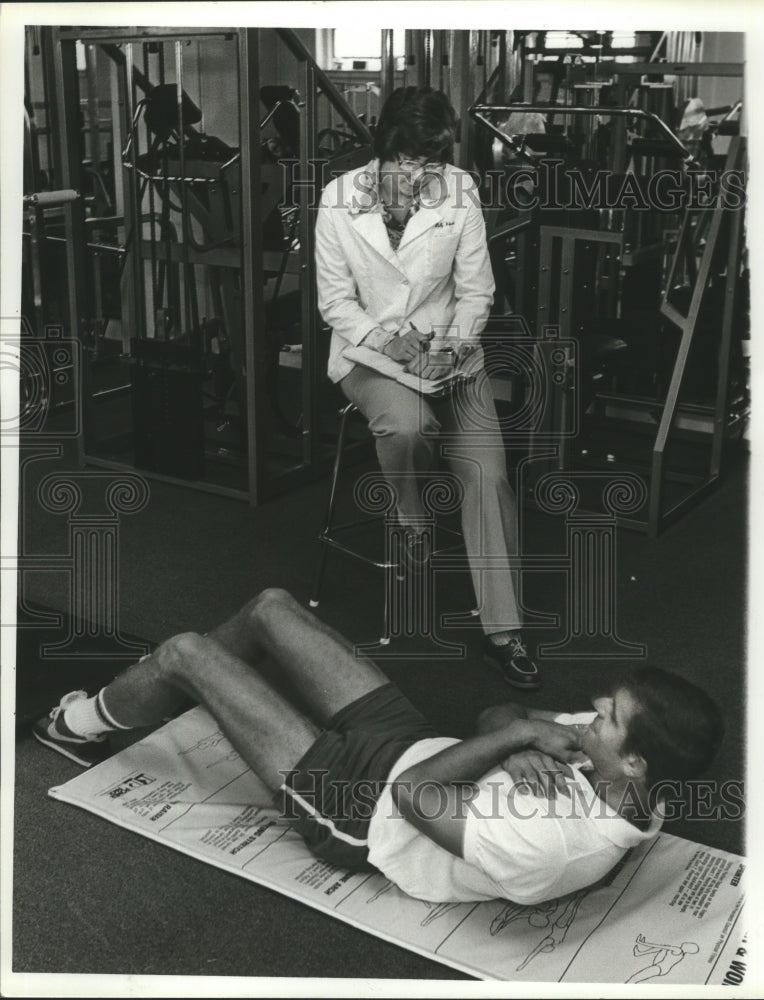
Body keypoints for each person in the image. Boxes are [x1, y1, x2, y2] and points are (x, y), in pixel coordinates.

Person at [33, 588, 724, 906]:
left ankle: (80, 724)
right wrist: (510, 739)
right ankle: (187, 687)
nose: (590, 715)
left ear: (632, 762)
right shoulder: (619, 765)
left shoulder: (560, 849)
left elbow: (413, 796)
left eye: (607, 717)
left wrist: (513, 737)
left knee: (186, 650)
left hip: (363, 812)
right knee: (272, 607)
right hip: (413, 741)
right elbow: (498, 707)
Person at [314, 86, 537, 689]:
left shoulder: (460, 191)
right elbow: (334, 300)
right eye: (408, 162)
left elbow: (476, 291)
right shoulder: (339, 200)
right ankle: (411, 522)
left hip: (451, 355)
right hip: (369, 353)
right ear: (383, 150)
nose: (420, 176)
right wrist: (387, 341)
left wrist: (454, 346)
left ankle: (505, 630)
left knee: (487, 474)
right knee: (410, 425)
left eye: (430, 163)